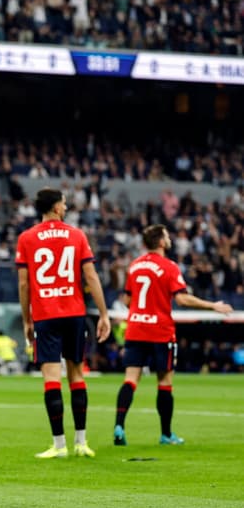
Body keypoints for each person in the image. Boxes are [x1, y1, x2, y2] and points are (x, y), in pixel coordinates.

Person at [113, 224, 232, 446]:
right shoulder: (169, 267)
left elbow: (127, 300)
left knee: (130, 379)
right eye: (167, 236)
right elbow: (182, 299)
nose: (169, 239)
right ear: (160, 242)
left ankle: (119, 426)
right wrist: (212, 306)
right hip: (160, 331)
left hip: (136, 328)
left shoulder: (135, 266)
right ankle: (166, 434)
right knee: (165, 382)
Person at [16, 188, 111, 459]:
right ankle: (81, 442)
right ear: (56, 207)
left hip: (46, 314)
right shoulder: (77, 235)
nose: (66, 208)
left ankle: (59, 446)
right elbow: (91, 278)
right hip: (74, 313)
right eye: (65, 204)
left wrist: (27, 318)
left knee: (51, 378)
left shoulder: (27, 238)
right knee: (77, 374)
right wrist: (103, 314)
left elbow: (24, 283)